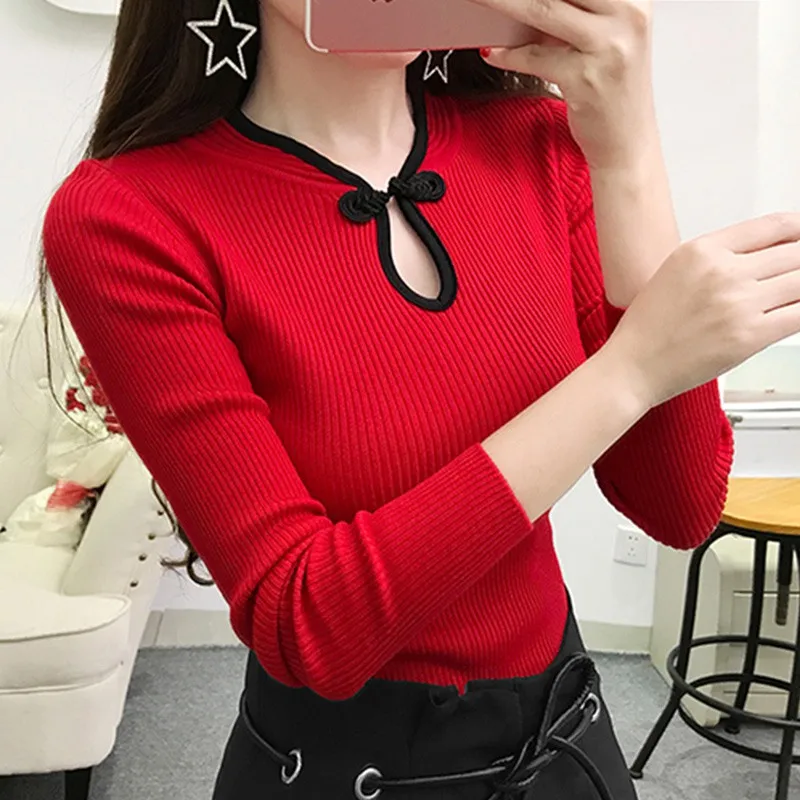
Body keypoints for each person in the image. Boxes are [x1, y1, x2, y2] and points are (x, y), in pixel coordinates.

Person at [37, 0, 800, 797]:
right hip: (339, 767)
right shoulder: (128, 215)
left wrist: (628, 154)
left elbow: (678, 505)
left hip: (566, 738)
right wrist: (628, 373)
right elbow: (305, 622)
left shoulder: (541, 143)